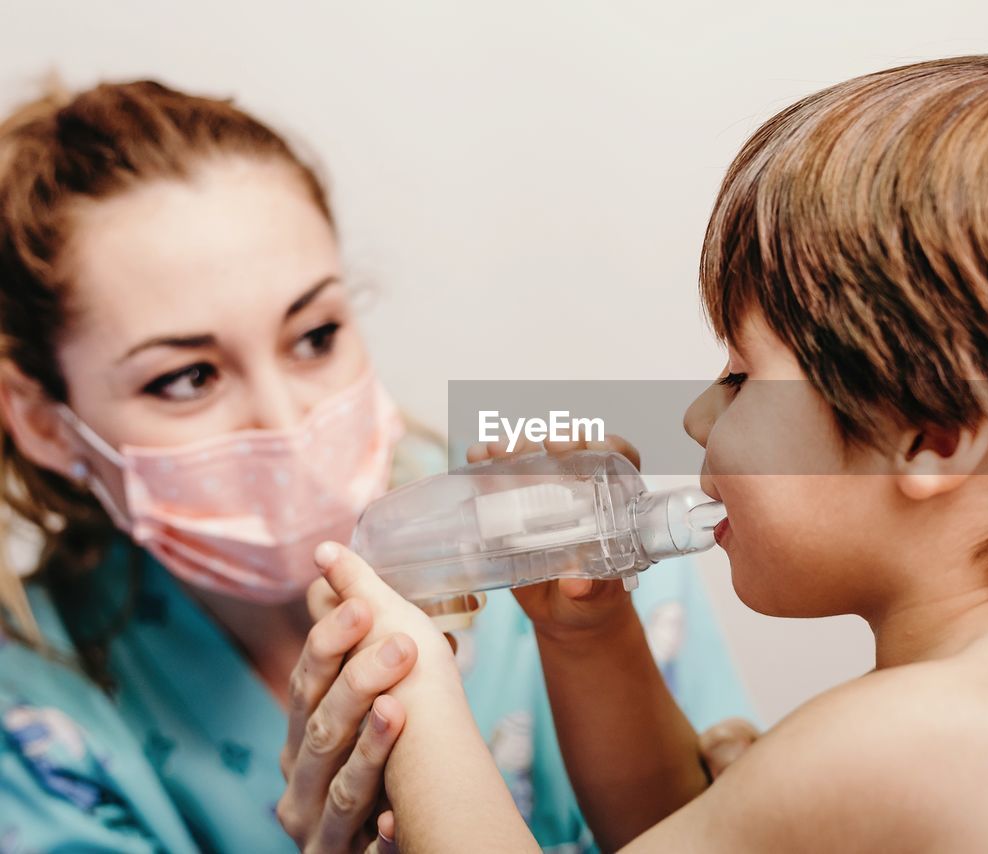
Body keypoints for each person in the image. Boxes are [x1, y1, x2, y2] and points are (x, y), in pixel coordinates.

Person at [311, 55, 988, 851]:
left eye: (739, 375)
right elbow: (682, 828)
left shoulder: (933, 741)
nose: (696, 414)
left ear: (932, 435)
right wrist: (588, 636)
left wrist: (413, 685)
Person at [0, 79, 753, 853]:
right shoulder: (31, 724)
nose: (288, 422)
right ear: (39, 419)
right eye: (185, 378)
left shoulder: (568, 546)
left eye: (315, 335)